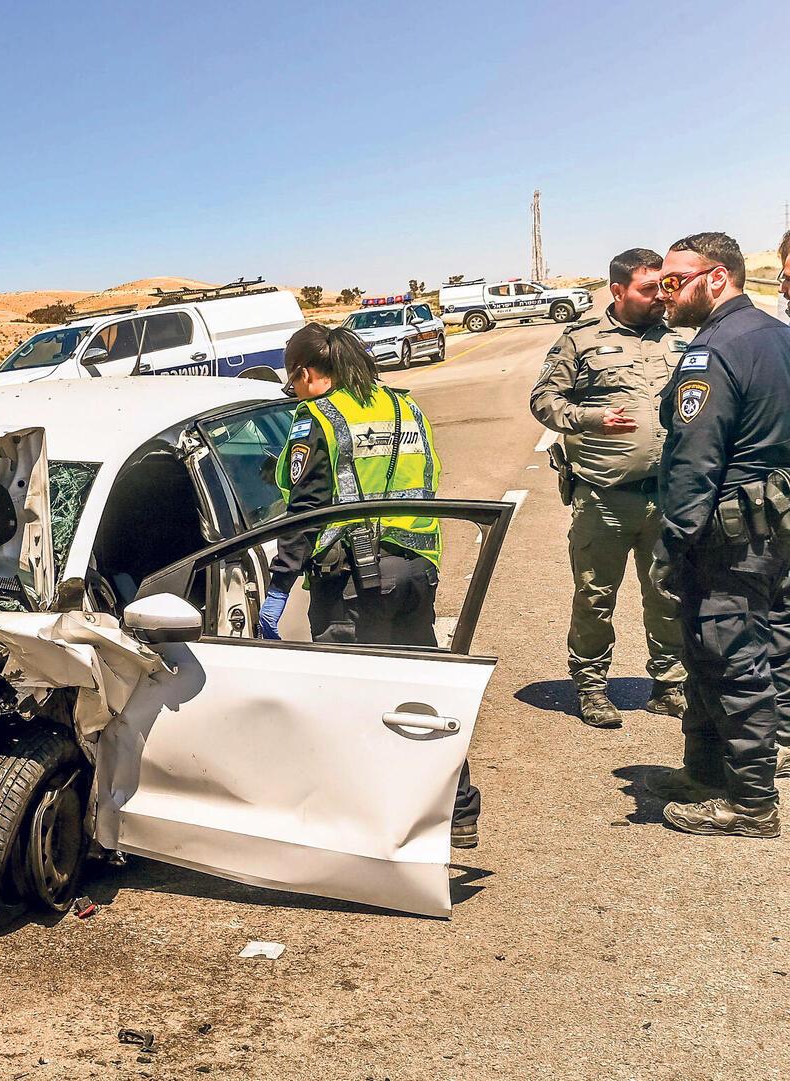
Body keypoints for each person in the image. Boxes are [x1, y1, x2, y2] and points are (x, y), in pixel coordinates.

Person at [258, 324, 480, 848]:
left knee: (347, 706)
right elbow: (424, 475)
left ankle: (357, 825)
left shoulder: (317, 418)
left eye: (294, 383)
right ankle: (459, 810)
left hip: (354, 584)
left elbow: (307, 511)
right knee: (421, 697)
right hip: (416, 569)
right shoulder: (404, 406)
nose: (296, 393)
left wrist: (279, 586)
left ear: (306, 373)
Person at [647, 231, 790, 838]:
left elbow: (693, 458)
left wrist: (672, 542)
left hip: (725, 536)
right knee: (722, 652)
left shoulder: (712, 351)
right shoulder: (777, 335)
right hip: (770, 527)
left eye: (673, 282)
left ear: (716, 278)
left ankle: (752, 803)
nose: (663, 294)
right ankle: (705, 774)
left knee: (731, 661)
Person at [528, 249, 686, 728]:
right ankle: (592, 686)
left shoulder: (680, 337)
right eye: (648, 288)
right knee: (595, 596)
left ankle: (669, 686)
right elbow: (543, 400)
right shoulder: (581, 340)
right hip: (603, 496)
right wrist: (590, 418)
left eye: (665, 286)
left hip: (668, 494)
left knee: (668, 594)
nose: (660, 296)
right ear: (617, 290)